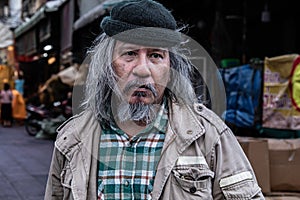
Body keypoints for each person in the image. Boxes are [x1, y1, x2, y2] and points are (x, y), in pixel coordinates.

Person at [44, 0, 265, 199]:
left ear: (171, 68)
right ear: (107, 65)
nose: (142, 70)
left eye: (156, 55)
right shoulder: (72, 138)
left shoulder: (208, 135)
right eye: (129, 53)